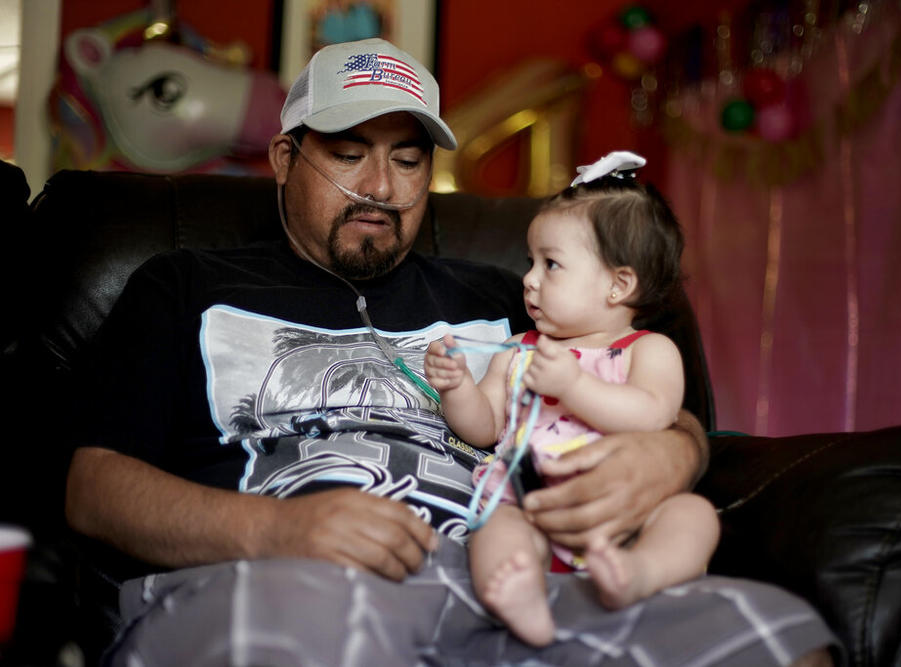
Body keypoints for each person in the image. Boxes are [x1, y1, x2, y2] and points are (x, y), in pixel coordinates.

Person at [64, 37, 838, 665]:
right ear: (283, 159)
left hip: (509, 581)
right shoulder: (186, 284)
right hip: (279, 579)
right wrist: (275, 531)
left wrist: (673, 454)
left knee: (768, 632)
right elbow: (92, 487)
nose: (381, 185)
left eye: (407, 159)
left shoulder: (510, 294)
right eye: (347, 151)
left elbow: (659, 400)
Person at [424, 155, 721, 647]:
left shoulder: (649, 350)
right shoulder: (520, 350)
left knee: (694, 518)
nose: (530, 279)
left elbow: (654, 415)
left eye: (551, 264)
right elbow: (483, 428)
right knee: (497, 528)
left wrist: (576, 387)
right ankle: (521, 594)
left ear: (618, 285)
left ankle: (638, 572)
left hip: (627, 515)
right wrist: (457, 388)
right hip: (533, 504)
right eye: (530, 263)